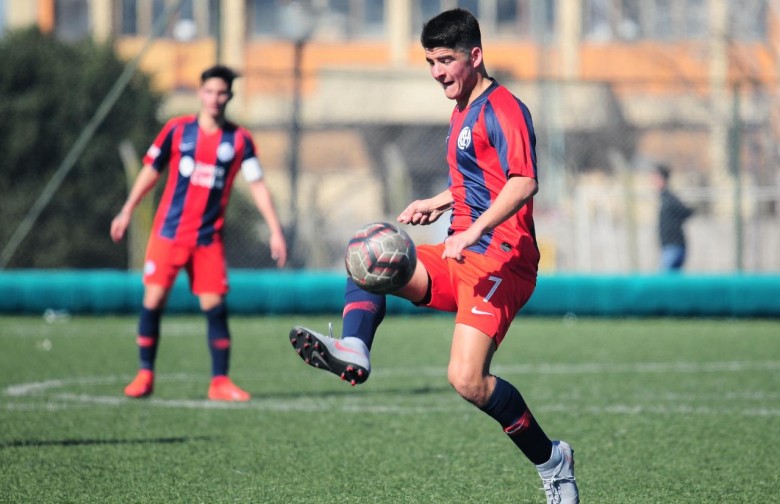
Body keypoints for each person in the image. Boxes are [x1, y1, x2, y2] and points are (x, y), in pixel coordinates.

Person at [288, 9, 579, 503]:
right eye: (430, 62)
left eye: (447, 60)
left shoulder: (504, 107)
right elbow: (477, 179)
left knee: (467, 380)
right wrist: (438, 203)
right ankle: (355, 349)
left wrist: (473, 231)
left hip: (502, 259)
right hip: (461, 250)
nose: (438, 72)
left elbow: (524, 181)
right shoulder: (462, 107)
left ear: (476, 56)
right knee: (371, 254)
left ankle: (554, 463)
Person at [111, 65, 287, 401]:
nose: (215, 99)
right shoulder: (177, 131)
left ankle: (219, 381)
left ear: (230, 96)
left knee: (215, 306)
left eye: (222, 93)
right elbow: (151, 171)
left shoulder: (239, 140)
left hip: (207, 240)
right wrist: (127, 209)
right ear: (200, 93)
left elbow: (258, 185)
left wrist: (275, 230)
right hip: (169, 235)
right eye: (209, 91)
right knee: (153, 301)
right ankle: (145, 374)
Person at [654, 164, 694, 272]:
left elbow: (687, 211)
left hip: (673, 246)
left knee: (665, 281)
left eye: (656, 177)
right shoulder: (664, 198)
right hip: (669, 246)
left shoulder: (669, 199)